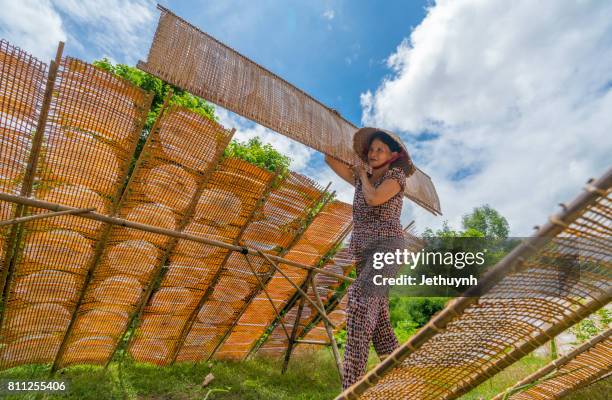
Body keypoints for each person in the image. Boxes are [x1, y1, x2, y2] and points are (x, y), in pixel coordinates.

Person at [324, 127, 415, 391]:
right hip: (363, 253)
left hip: (388, 248)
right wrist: (333, 124)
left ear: (393, 155)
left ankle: (351, 389)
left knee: (360, 302)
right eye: (372, 149)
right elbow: (329, 159)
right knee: (380, 325)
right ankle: (403, 384)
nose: (374, 153)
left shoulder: (396, 176)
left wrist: (363, 176)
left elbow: (374, 198)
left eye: (380, 150)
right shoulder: (360, 176)